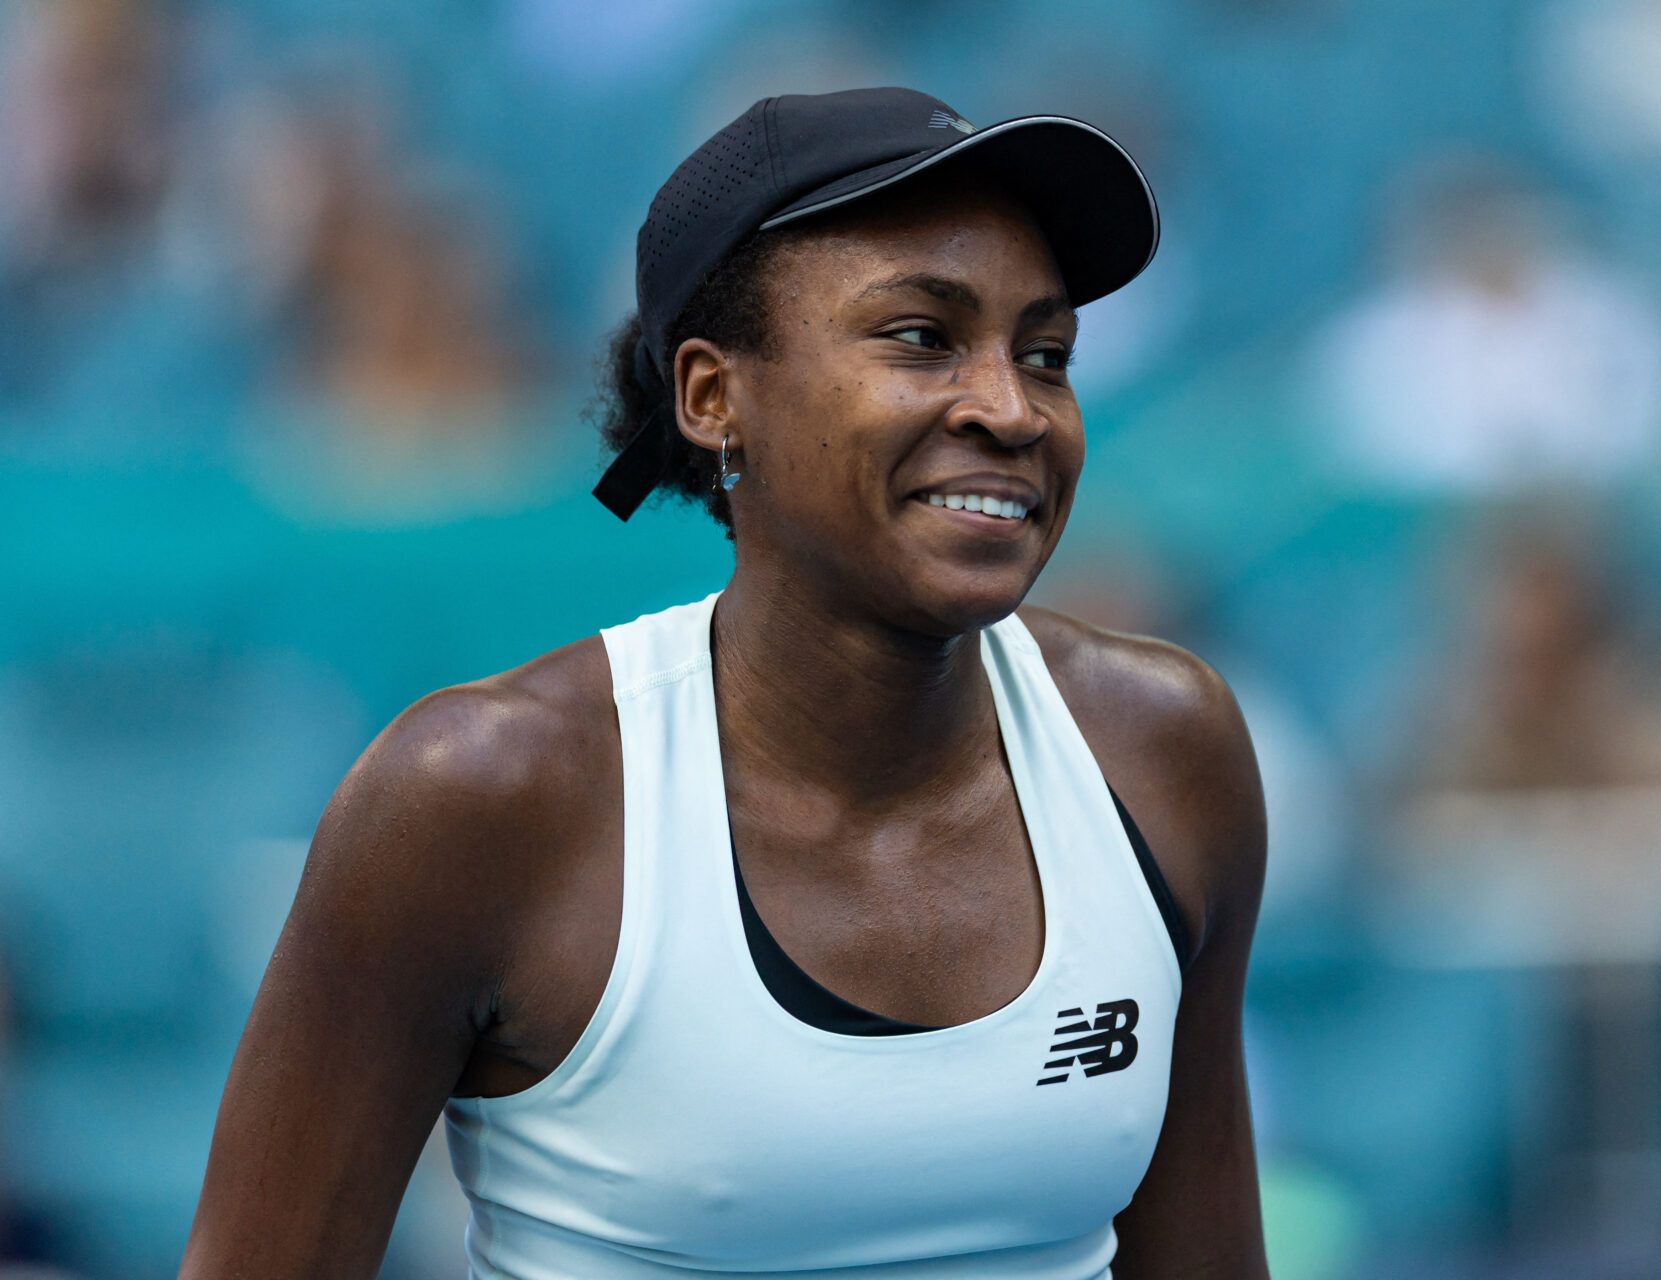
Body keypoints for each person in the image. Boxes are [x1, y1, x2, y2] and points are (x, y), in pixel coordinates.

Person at [182, 87, 1269, 1278]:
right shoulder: (477, 797)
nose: (1011, 408)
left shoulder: (1166, 748)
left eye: (1046, 354)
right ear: (712, 397)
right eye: (920, 336)